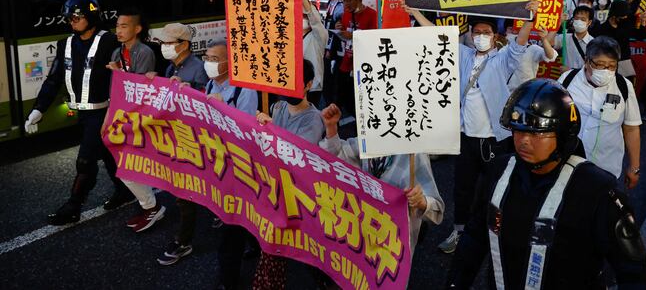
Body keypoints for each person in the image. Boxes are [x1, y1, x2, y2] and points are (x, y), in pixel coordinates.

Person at [446, 79, 646, 289]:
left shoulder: (598, 191)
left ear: (563, 135)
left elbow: (633, 274)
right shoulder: (498, 172)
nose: (524, 141)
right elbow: (474, 239)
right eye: (518, 130)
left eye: (537, 133)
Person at [405, 0, 540, 254]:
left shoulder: (502, 59)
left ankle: (495, 233)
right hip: (466, 137)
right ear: (469, 34)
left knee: (495, 187)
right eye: (476, 32)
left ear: (495, 37)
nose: (480, 37)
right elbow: (437, 35)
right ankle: (459, 231)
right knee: (463, 187)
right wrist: (415, 12)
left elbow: (520, 43)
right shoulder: (464, 55)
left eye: (486, 33)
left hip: (493, 138)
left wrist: (530, 19)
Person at [24, 0, 132, 224]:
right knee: (106, 153)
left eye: (76, 16)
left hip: (105, 112)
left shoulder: (110, 42)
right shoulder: (65, 44)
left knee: (85, 160)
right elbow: (53, 81)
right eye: (68, 17)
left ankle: (73, 206)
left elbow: (127, 75)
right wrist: (38, 110)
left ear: (91, 16)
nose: (71, 21)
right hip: (84, 113)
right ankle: (124, 190)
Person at [157, 39, 258, 267]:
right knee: (189, 192)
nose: (209, 64)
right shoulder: (212, 84)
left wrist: (225, 108)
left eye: (214, 59)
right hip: (210, 150)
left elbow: (246, 130)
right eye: (207, 58)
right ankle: (185, 241)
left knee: (239, 212)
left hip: (234, 159)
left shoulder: (245, 89)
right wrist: (187, 91)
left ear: (229, 63)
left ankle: (251, 242)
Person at [247, 60, 329, 290]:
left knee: (294, 244)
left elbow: (299, 152)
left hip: (298, 194)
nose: (287, 88)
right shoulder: (278, 107)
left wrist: (271, 131)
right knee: (293, 244)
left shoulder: (313, 118)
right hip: (276, 187)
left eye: (294, 83)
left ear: (309, 84)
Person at [319, 103, 444, 254]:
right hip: (364, 231)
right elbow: (338, 158)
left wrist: (421, 201)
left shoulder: (414, 153)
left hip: (394, 242)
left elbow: (437, 209)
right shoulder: (370, 140)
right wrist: (331, 128)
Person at [107, 7, 165, 233]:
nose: (118, 31)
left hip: (141, 118)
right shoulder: (116, 53)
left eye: (123, 26)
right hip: (126, 116)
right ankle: (150, 205)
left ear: (137, 29)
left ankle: (152, 206)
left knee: (130, 168)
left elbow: (138, 89)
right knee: (128, 168)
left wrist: (119, 74)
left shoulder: (144, 52)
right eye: (117, 26)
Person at [558, 37, 642, 186]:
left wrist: (634, 168)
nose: (606, 71)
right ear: (587, 60)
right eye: (600, 65)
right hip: (567, 165)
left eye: (611, 66)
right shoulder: (567, 80)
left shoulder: (624, 86)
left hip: (605, 168)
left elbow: (631, 128)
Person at [334, 0, 377, 116]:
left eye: (349, 0)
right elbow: (344, 34)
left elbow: (374, 40)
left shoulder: (372, 15)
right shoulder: (346, 14)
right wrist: (339, 29)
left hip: (362, 67)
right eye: (344, 0)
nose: (346, 4)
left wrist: (352, 36)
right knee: (339, 101)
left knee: (358, 106)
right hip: (346, 64)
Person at [148, 23, 209, 91]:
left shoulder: (199, 68)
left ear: (184, 45)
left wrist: (186, 87)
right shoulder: (170, 67)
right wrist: (157, 79)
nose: (164, 46)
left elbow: (203, 96)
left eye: (169, 43)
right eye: (162, 42)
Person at [506, 22, 558, 91]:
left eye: (517, 29)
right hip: (501, 93)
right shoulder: (501, 47)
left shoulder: (532, 48)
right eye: (510, 29)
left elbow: (551, 56)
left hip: (523, 93)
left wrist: (544, 39)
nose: (513, 31)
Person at [592, 0, 636, 80]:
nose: (625, 17)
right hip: (607, 65)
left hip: (624, 63)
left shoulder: (626, 25)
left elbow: (638, 35)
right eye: (623, 15)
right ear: (614, 16)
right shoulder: (601, 30)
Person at [301, 0, 328, 107]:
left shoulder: (319, 35)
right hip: (297, 86)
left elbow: (315, 20)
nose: (301, 18)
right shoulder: (293, 36)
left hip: (313, 87)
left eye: (304, 16)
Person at [549, 6, 593, 70]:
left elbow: (592, 69)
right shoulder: (565, 37)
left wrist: (570, 71)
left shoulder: (593, 43)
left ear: (589, 22)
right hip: (566, 79)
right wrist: (559, 23)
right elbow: (547, 42)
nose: (579, 21)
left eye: (583, 19)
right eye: (577, 18)